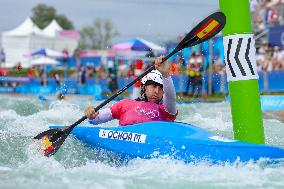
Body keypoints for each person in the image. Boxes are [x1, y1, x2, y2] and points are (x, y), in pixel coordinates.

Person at [84, 56, 178, 126]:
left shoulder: (166, 109)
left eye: (161, 88)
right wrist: (93, 115)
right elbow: (98, 118)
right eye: (153, 86)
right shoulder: (124, 104)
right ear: (144, 87)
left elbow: (171, 98)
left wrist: (165, 75)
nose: (157, 91)